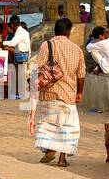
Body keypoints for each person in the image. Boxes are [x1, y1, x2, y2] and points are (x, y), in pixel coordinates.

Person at [33, 15, 85, 166]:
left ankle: (50, 149)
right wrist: (79, 92)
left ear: (55, 31)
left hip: (49, 92)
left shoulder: (46, 45)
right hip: (68, 94)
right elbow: (81, 75)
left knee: (49, 124)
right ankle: (62, 159)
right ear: (69, 32)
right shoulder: (77, 50)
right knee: (68, 126)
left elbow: (37, 68)